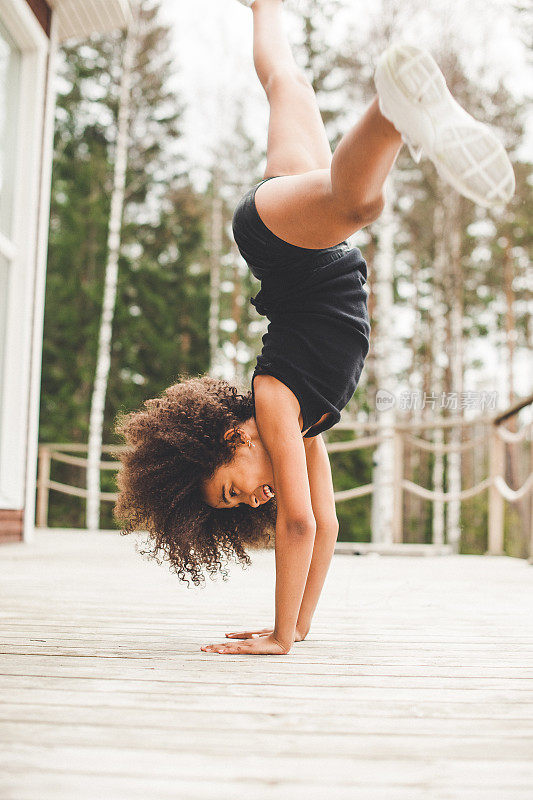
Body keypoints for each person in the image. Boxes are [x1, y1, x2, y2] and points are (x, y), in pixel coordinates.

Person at [114, 0, 514, 656]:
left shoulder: (274, 397)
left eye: (233, 490)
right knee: (287, 84)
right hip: (303, 231)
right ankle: (265, 5)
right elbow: (324, 525)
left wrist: (275, 638)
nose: (254, 502)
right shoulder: (305, 428)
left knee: (356, 200)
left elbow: (296, 524)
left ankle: (390, 111)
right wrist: (296, 625)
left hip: (285, 242)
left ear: (228, 434)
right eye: (242, 508)